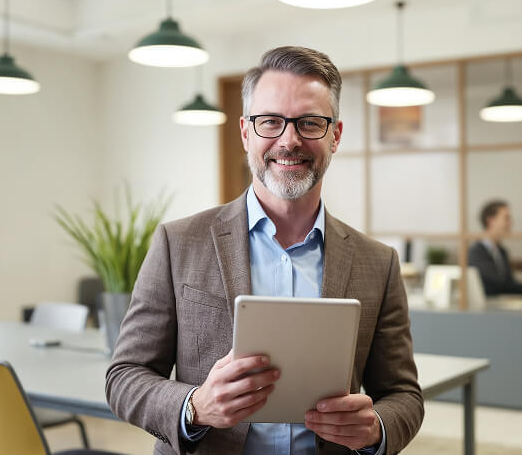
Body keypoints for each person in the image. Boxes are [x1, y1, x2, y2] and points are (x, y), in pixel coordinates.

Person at [105, 46, 424, 455]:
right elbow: (125, 377)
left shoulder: (377, 263)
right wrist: (195, 407)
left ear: (335, 135)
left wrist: (376, 428)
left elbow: (404, 396)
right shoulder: (178, 243)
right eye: (270, 121)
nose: (289, 140)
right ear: (245, 132)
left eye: (310, 123)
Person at [468, 200, 522, 297]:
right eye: (506, 218)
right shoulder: (477, 252)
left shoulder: (502, 251)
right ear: (490, 221)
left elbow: (509, 282)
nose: (511, 223)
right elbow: (498, 284)